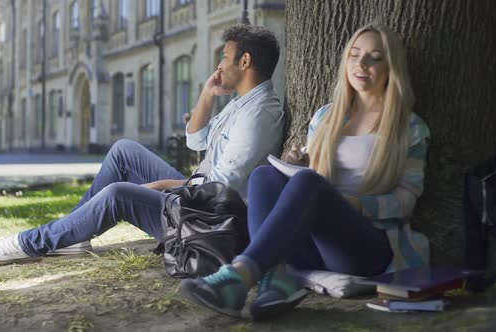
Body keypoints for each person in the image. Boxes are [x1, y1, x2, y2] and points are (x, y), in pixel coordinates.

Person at [0, 24, 285, 266]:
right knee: (124, 150)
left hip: (205, 224)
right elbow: (196, 140)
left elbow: (220, 187)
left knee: (118, 194)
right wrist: (206, 94)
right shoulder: (241, 103)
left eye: (225, 58)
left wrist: (165, 185)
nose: (220, 64)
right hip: (197, 199)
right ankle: (70, 234)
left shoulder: (259, 114)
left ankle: (30, 242)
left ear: (245, 62)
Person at [180, 23, 431, 320]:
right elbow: (315, 182)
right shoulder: (326, 116)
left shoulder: (409, 128)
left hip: (366, 246)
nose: (361, 64)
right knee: (265, 176)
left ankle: (241, 275)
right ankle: (276, 279)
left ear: (391, 67)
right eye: (354, 55)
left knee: (309, 182)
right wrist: (298, 167)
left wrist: (358, 205)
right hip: (317, 242)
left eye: (374, 57)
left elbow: (406, 199)